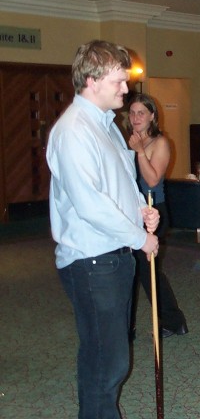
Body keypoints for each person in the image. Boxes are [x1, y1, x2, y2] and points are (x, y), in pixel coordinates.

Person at [46, 40, 160, 418]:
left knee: (112, 359)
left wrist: (142, 212)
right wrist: (140, 238)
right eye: (118, 81)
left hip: (114, 257)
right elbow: (90, 204)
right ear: (92, 81)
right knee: (105, 363)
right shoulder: (73, 131)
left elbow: (120, 184)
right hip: (92, 261)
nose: (126, 89)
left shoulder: (107, 126)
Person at [125, 93, 188, 338]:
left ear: (152, 116)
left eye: (141, 112)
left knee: (148, 272)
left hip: (154, 212)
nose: (136, 117)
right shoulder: (129, 142)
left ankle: (174, 321)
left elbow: (152, 180)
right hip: (132, 213)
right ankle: (126, 327)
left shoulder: (160, 143)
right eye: (132, 112)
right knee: (130, 271)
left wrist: (140, 152)